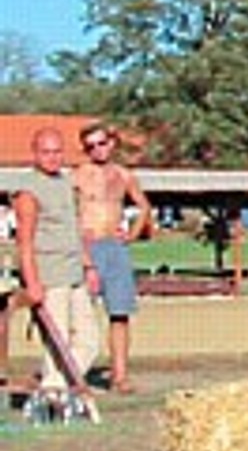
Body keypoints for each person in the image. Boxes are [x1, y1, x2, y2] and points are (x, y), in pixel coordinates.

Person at [13, 127, 101, 411]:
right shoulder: (28, 191)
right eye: (46, 152)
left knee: (89, 340)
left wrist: (88, 266)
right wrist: (33, 282)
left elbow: (76, 230)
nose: (52, 158)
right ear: (35, 153)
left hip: (74, 270)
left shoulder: (66, 183)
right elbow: (24, 242)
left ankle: (55, 387)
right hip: (49, 274)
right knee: (57, 339)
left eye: (57, 152)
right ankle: (54, 398)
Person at [72, 120, 154, 394]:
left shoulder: (124, 176)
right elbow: (68, 213)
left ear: (112, 143)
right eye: (90, 146)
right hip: (87, 245)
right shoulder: (78, 176)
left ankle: (119, 376)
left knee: (120, 314)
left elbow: (143, 206)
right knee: (80, 314)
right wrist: (81, 249)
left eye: (101, 143)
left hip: (115, 247)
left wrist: (131, 234)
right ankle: (74, 375)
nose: (97, 150)